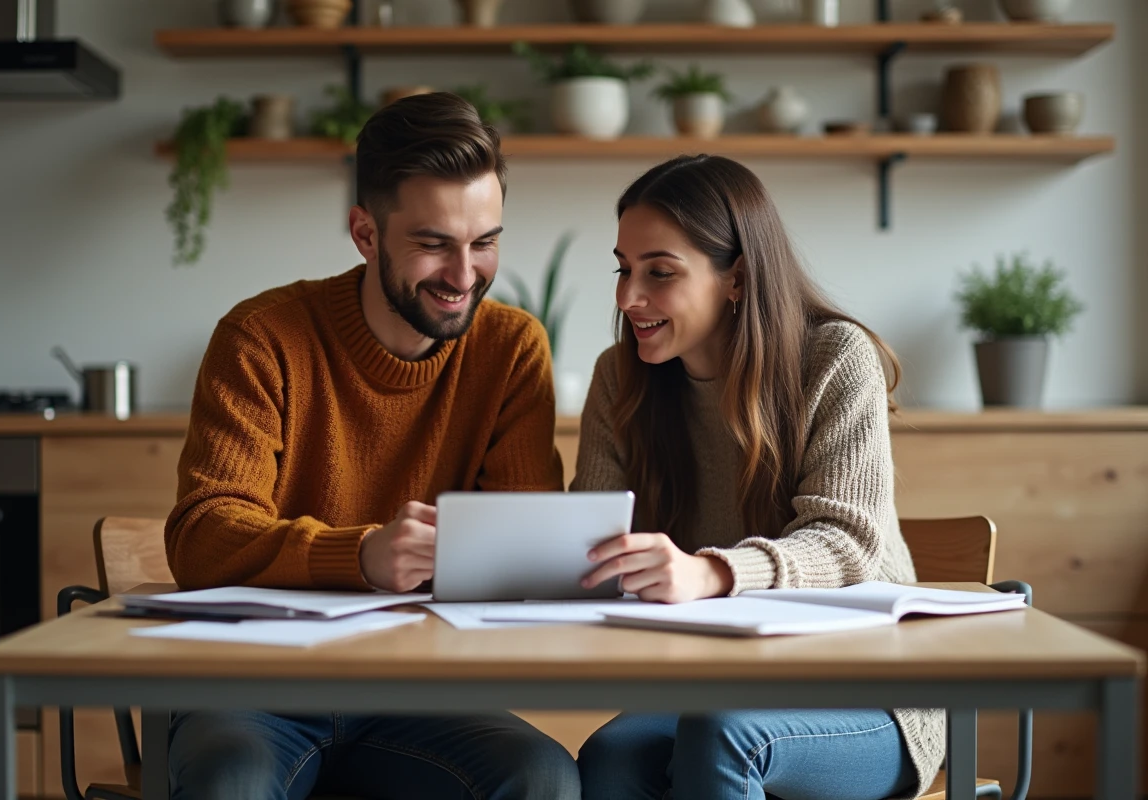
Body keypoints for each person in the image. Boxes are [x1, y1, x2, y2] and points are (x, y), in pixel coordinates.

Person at [163, 92, 580, 800]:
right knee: (231, 781)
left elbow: (524, 550)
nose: (464, 275)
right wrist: (359, 557)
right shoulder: (261, 338)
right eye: (433, 244)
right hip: (253, 687)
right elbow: (202, 535)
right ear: (365, 233)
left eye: (484, 242)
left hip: (422, 691)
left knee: (541, 776)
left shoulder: (511, 349)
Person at [571, 154, 944, 800]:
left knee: (727, 737)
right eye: (623, 269)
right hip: (718, 685)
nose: (628, 297)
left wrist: (712, 572)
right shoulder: (619, 378)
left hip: (871, 689)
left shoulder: (835, 357)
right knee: (611, 758)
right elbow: (594, 537)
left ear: (737, 279)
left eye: (660, 272)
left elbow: (846, 541)